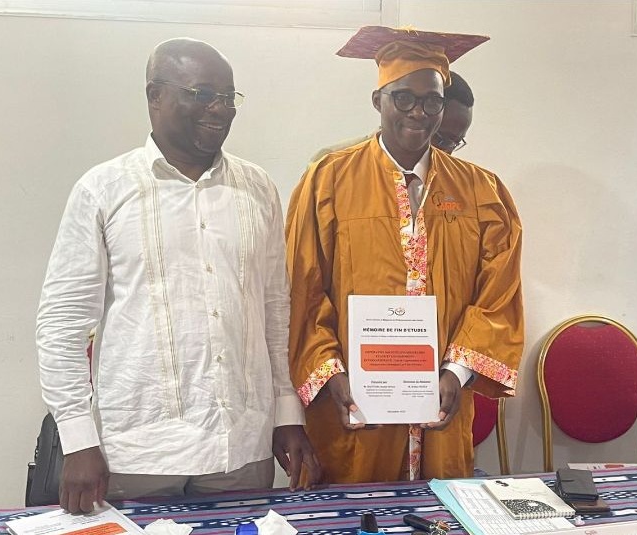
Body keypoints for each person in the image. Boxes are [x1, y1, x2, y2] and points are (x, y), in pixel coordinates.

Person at [36, 37, 320, 514]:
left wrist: (285, 413)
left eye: (228, 97)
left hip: (240, 448)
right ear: (155, 96)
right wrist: (78, 439)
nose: (220, 109)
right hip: (140, 451)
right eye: (201, 94)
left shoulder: (258, 188)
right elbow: (62, 324)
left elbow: (275, 311)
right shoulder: (104, 189)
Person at [286, 26, 523, 484]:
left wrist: (457, 373)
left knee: (438, 510)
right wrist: (330, 373)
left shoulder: (482, 191)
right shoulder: (328, 181)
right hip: (354, 405)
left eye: (432, 101)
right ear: (378, 100)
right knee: (355, 508)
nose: (419, 112)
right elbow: (303, 290)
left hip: (441, 407)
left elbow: (498, 294)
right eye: (404, 98)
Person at [309, 70, 474, 161]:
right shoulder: (331, 164)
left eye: (455, 143)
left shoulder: (460, 180)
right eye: (442, 139)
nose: (448, 152)